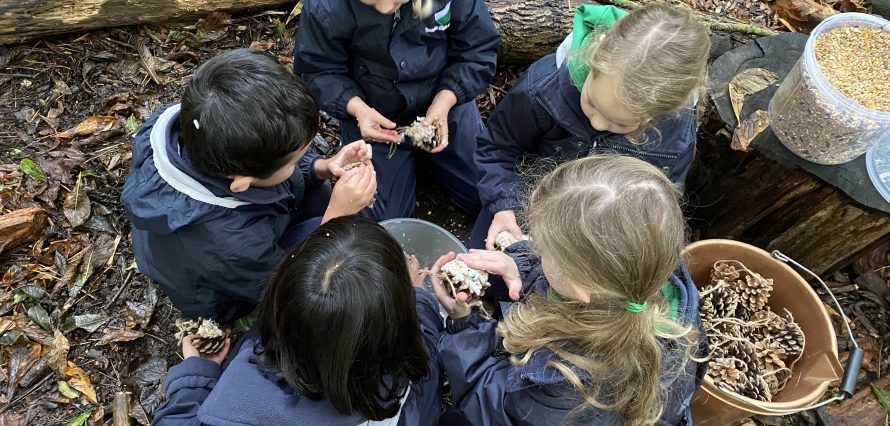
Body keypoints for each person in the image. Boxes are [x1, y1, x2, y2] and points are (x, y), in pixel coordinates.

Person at [432, 156, 708, 425]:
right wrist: (522, 268)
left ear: (580, 288)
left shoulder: (563, 383)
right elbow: (577, 274)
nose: (535, 250)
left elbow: (492, 406)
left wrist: (462, 324)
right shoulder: (648, 276)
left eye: (543, 252)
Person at [121, 48, 377, 323]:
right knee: (335, 249)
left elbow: (273, 166)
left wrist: (323, 167)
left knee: (320, 194)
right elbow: (288, 285)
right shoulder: (231, 243)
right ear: (242, 182)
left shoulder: (200, 128)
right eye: (295, 161)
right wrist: (335, 219)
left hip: (236, 232)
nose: (301, 161)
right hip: (226, 292)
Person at [153, 215, 443, 425]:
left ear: (277, 303)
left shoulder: (232, 404)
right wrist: (421, 300)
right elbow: (419, 353)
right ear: (399, 329)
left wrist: (195, 377)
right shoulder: (399, 384)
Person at [472, 3, 709, 251]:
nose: (597, 123)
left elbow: (658, 201)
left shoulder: (675, 132)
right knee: (491, 270)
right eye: (592, 103)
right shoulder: (544, 88)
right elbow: (498, 148)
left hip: (598, 232)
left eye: (619, 123)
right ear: (594, 58)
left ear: (657, 116)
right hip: (524, 201)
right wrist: (505, 205)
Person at [294, 0, 499, 221]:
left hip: (446, 103)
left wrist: (446, 100)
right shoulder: (326, 6)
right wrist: (356, 107)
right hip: (374, 114)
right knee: (384, 223)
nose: (384, 8)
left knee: (490, 194)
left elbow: (477, 50)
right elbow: (318, 70)